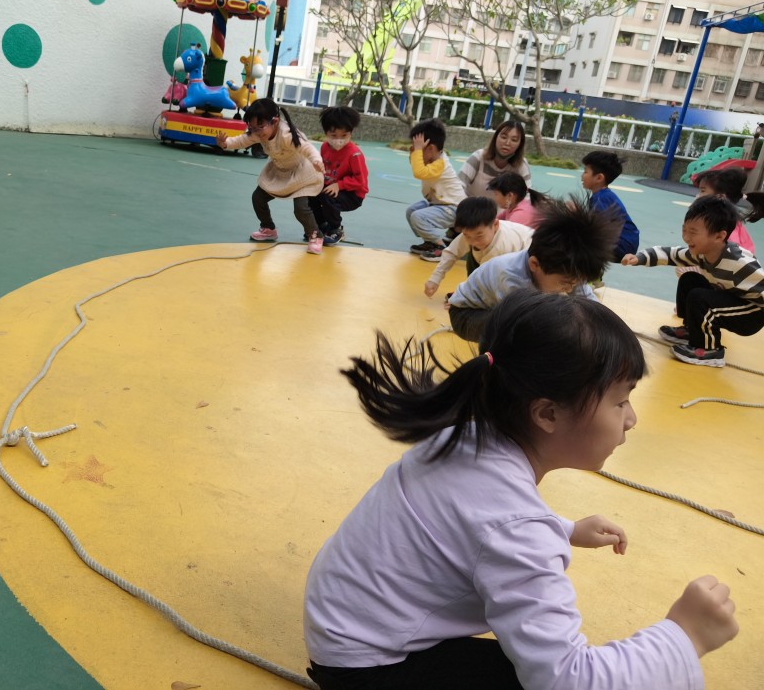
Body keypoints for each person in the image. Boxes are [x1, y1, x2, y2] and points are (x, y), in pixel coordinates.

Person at [304, 289, 738, 690]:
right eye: (620, 401)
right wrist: (686, 636)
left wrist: (564, 529)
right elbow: (567, 680)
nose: (631, 419)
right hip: (369, 669)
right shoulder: (516, 526)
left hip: (343, 628)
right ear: (547, 414)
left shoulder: (465, 433)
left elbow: (472, 520)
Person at [621, 195, 764, 368]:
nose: (686, 237)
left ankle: (710, 350)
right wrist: (639, 258)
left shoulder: (739, 263)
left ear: (719, 236)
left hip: (752, 314)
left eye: (693, 232)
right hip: (733, 301)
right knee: (690, 279)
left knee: (700, 297)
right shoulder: (703, 253)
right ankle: (692, 330)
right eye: (685, 230)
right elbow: (670, 254)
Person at [447, 198, 619, 342]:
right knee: (528, 327)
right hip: (467, 315)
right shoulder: (511, 276)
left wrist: (609, 327)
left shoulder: (567, 269)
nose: (569, 288)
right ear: (534, 265)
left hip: (501, 308)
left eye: (576, 282)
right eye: (565, 283)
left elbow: (588, 300)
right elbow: (522, 319)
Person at [215, 98, 326, 254]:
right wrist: (226, 143)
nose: (256, 132)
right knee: (258, 198)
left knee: (301, 209)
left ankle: (315, 235)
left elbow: (307, 148)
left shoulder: (287, 135)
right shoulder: (259, 133)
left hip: (302, 174)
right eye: (252, 127)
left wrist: (316, 160)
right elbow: (242, 140)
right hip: (280, 171)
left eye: (260, 127)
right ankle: (268, 228)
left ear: (275, 121)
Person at [423, 197, 533, 300]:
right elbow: (452, 253)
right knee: (474, 253)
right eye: (467, 235)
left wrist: (464, 298)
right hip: (507, 264)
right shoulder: (474, 232)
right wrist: (434, 279)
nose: (473, 241)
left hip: (533, 262)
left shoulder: (501, 247)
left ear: (495, 225)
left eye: (479, 236)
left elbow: (486, 277)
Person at [406, 118, 466, 261]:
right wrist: (417, 150)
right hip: (440, 204)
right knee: (411, 211)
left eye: (418, 149)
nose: (414, 152)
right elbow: (415, 164)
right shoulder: (431, 159)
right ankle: (430, 242)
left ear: (431, 149)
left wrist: (417, 150)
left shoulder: (440, 163)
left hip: (454, 208)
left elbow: (419, 172)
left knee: (418, 217)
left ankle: (441, 247)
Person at [309, 106, 369, 245]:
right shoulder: (325, 147)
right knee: (310, 195)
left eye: (344, 136)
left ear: (351, 133)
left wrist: (339, 185)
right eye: (333, 135)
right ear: (326, 133)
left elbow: (360, 180)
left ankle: (336, 229)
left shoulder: (354, 154)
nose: (339, 140)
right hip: (331, 186)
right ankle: (321, 226)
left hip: (353, 194)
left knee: (327, 196)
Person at [581, 150, 640, 261]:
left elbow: (597, 228)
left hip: (622, 245)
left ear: (599, 178)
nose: (582, 176)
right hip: (626, 243)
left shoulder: (601, 198)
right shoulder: (604, 195)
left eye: (585, 172)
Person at [694, 167, 764, 254]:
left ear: (720, 196)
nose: (698, 195)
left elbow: (733, 250)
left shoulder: (724, 221)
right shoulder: (715, 215)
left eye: (702, 190)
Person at [458, 120, 531, 199]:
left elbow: (527, 196)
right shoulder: (478, 158)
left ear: (520, 144)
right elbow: (458, 185)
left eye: (514, 140)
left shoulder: (521, 165)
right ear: (495, 137)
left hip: (504, 208)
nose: (507, 143)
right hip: (470, 205)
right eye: (503, 137)